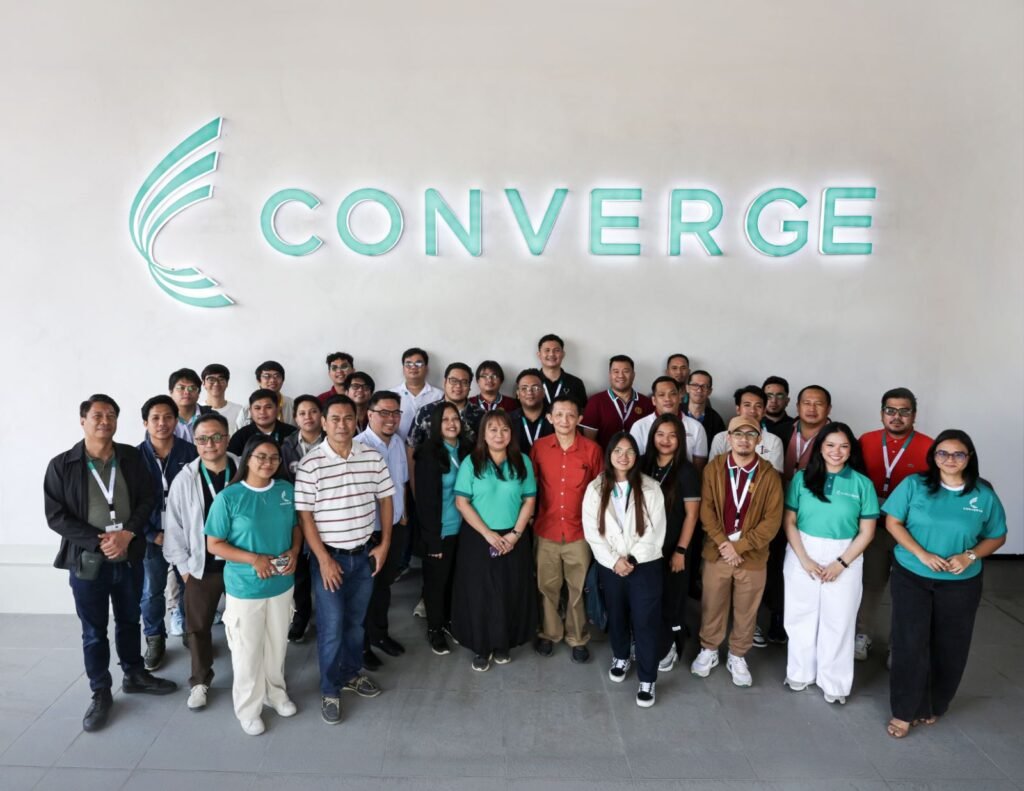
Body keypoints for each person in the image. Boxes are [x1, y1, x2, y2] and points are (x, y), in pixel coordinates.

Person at [44, 394, 176, 733]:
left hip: (128, 557)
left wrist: (128, 533)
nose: (105, 421)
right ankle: (101, 691)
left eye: (111, 415)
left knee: (130, 619)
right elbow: (56, 516)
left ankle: (134, 674)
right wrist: (99, 540)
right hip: (88, 561)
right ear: (83, 421)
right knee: (94, 630)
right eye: (98, 415)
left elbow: (148, 498)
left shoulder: (130, 457)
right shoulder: (63, 465)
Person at [882, 430, 1007, 739]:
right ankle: (904, 710)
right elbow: (893, 522)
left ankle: (933, 704)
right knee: (909, 643)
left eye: (958, 454)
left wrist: (970, 556)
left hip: (960, 583)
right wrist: (921, 554)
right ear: (933, 456)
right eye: (943, 453)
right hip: (912, 575)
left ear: (969, 457)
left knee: (950, 646)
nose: (950, 459)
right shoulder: (914, 485)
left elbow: (997, 535)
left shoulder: (983, 495)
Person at [294, 395, 395, 725]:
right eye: (335, 419)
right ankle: (329, 688)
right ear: (323, 423)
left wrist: (384, 545)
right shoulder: (311, 464)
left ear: (357, 420)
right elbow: (305, 516)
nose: (342, 424)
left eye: (348, 418)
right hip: (330, 559)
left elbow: (386, 499)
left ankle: (351, 673)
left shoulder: (372, 456)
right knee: (332, 627)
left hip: (363, 556)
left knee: (355, 623)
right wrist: (323, 558)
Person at [205, 435, 301, 736]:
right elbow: (214, 544)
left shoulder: (285, 490)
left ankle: (275, 693)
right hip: (246, 588)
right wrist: (253, 559)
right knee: (247, 651)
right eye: (261, 456)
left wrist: (294, 551)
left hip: (281, 584)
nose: (268, 463)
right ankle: (248, 709)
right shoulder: (229, 497)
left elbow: (296, 526)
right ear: (247, 458)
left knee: (277, 644)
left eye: (274, 457)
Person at [782, 423, 878, 704]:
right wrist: (804, 559)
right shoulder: (802, 478)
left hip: (846, 552)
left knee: (839, 619)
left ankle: (834, 682)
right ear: (820, 448)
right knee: (800, 614)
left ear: (851, 450)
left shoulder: (862, 484)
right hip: (803, 548)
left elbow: (867, 531)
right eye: (830, 445)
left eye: (844, 446)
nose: (837, 452)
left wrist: (841, 563)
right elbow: (789, 521)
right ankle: (800, 672)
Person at [690, 415, 783, 688]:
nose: (744, 439)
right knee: (712, 604)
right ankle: (709, 648)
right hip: (717, 551)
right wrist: (724, 544)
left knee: (747, 610)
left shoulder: (768, 474)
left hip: (752, 556)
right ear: (728, 438)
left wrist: (739, 546)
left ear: (759, 439)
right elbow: (706, 511)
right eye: (738, 434)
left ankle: (738, 655)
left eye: (750, 434)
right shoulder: (714, 469)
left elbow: (772, 521)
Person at [583, 433, 666, 707]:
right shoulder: (596, 488)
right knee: (617, 615)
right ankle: (621, 656)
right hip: (612, 566)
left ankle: (647, 678)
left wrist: (631, 559)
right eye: (617, 451)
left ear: (636, 456)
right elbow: (592, 531)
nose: (623, 456)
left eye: (629, 451)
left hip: (644, 565)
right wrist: (614, 561)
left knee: (645, 621)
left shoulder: (651, 487)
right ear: (609, 454)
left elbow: (656, 530)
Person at [162, 412, 239, 710]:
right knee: (197, 628)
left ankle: (249, 677)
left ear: (227, 438)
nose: (210, 444)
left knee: (245, 625)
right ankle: (200, 682)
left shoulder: (244, 469)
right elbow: (174, 527)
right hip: (202, 566)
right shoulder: (185, 479)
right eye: (203, 439)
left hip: (241, 564)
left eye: (217, 437)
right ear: (194, 442)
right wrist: (184, 569)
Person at [452, 410, 537, 671]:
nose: (499, 435)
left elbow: (529, 500)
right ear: (483, 434)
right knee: (480, 593)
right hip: (478, 537)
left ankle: (503, 643)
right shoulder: (471, 462)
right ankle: (482, 646)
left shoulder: (522, 461)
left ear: (512, 434)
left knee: (509, 590)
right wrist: (488, 534)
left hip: (514, 537)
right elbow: (462, 502)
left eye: (504, 429)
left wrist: (516, 534)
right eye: (493, 429)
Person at [855, 387, 933, 661]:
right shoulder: (866, 441)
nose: (896, 416)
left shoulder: (929, 446)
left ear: (914, 415)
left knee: (907, 590)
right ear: (881, 413)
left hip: (909, 531)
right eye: (890, 410)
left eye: (904, 411)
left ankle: (898, 645)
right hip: (873, 528)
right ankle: (862, 634)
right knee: (871, 583)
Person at [530, 394, 603, 663]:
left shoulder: (592, 450)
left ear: (579, 419)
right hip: (546, 529)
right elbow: (530, 487)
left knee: (577, 588)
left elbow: (600, 492)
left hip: (579, 532)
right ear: (550, 418)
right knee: (546, 586)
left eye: (571, 415)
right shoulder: (539, 447)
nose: (564, 420)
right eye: (559, 414)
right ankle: (549, 633)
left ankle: (578, 637)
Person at [137, 395, 198, 670]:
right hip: (152, 536)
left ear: (176, 421)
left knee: (190, 586)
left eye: (168, 417)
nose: (162, 423)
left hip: (186, 535)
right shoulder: (134, 458)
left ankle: (190, 631)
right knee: (152, 590)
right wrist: (151, 534)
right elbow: (129, 503)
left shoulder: (191, 452)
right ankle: (154, 638)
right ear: (145, 423)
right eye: (155, 418)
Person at [640, 414, 700, 673]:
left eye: (672, 435)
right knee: (647, 599)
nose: (665, 440)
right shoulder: (642, 464)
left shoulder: (686, 471)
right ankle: (646, 641)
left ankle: (670, 646)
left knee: (671, 601)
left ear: (680, 440)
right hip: (645, 548)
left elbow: (692, 515)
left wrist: (680, 550)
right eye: (660, 434)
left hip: (673, 547)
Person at [356, 391, 410, 669]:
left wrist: (403, 516)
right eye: (384, 413)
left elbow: (401, 483)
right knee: (365, 591)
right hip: (370, 533)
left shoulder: (398, 442)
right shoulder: (358, 447)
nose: (391, 419)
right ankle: (362, 646)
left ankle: (380, 635)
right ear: (370, 414)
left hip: (395, 527)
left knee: (384, 586)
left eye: (396, 413)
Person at [414, 403, 472, 655]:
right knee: (436, 584)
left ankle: (448, 622)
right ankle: (434, 629)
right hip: (441, 531)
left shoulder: (468, 449)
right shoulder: (427, 453)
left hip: (466, 530)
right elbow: (425, 502)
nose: (451, 423)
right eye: (445, 419)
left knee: (455, 581)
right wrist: (432, 540)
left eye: (455, 418)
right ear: (437, 425)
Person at [280, 395, 326, 643]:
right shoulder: (287, 446)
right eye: (302, 413)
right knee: (299, 573)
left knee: (325, 567)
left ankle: (329, 617)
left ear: (321, 415)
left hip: (328, 517)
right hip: (297, 517)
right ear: (295, 418)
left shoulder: (333, 440)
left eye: (313, 411)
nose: (308, 417)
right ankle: (302, 617)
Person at [630, 376, 708, 471]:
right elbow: (636, 464)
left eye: (673, 394)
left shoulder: (696, 427)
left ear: (680, 398)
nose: (667, 399)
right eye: (661, 395)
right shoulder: (639, 426)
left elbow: (698, 468)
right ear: (654, 400)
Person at [581, 355, 654, 450]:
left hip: (639, 458)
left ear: (633, 375)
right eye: (616, 371)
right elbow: (589, 441)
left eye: (626, 371)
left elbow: (651, 437)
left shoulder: (647, 403)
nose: (620, 376)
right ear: (610, 374)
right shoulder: (595, 402)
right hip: (605, 458)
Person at [706, 386, 784, 472]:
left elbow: (774, 476)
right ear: (738, 409)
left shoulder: (774, 441)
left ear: (764, 412)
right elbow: (712, 471)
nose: (752, 410)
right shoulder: (721, 438)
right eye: (747, 405)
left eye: (758, 406)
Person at [407, 362, 485, 449]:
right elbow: (411, 446)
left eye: (464, 382)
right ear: (445, 382)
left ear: (469, 387)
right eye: (453, 381)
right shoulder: (425, 412)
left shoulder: (481, 416)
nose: (458, 386)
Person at [394, 347, 443, 441]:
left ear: (426, 368)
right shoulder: (391, 395)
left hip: (430, 446)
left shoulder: (439, 395)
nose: (413, 367)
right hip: (398, 446)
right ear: (403, 369)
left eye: (418, 363)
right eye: (408, 364)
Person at [228, 389, 296, 456]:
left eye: (268, 407)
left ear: (278, 409)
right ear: (250, 411)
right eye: (257, 408)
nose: (262, 412)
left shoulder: (292, 434)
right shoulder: (240, 436)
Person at [536, 333, 588, 411]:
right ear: (539, 354)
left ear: (563, 354)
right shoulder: (530, 382)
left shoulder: (576, 383)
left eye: (556, 350)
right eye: (547, 350)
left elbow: (581, 411)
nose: (551, 354)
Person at [236, 361, 295, 429]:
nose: (272, 380)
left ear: (282, 380)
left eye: (277, 376)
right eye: (267, 376)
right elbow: (238, 433)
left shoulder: (293, 405)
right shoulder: (247, 409)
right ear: (259, 381)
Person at [508, 368, 554, 452]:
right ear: (518, 394)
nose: (529, 392)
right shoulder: (508, 420)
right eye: (524, 388)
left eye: (535, 388)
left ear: (543, 392)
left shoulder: (555, 419)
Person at [169, 368, 212, 442]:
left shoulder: (212, 417)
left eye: (192, 388)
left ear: (198, 393)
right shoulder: (161, 420)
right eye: (181, 388)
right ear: (171, 392)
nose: (187, 392)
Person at [684, 370, 727, 441]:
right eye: (695, 385)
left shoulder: (716, 420)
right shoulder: (676, 412)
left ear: (710, 391)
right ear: (687, 388)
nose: (699, 390)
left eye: (704, 386)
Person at [200, 363, 242, 433]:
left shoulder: (239, 411)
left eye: (221, 379)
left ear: (227, 383)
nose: (216, 383)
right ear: (203, 383)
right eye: (211, 379)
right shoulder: (196, 410)